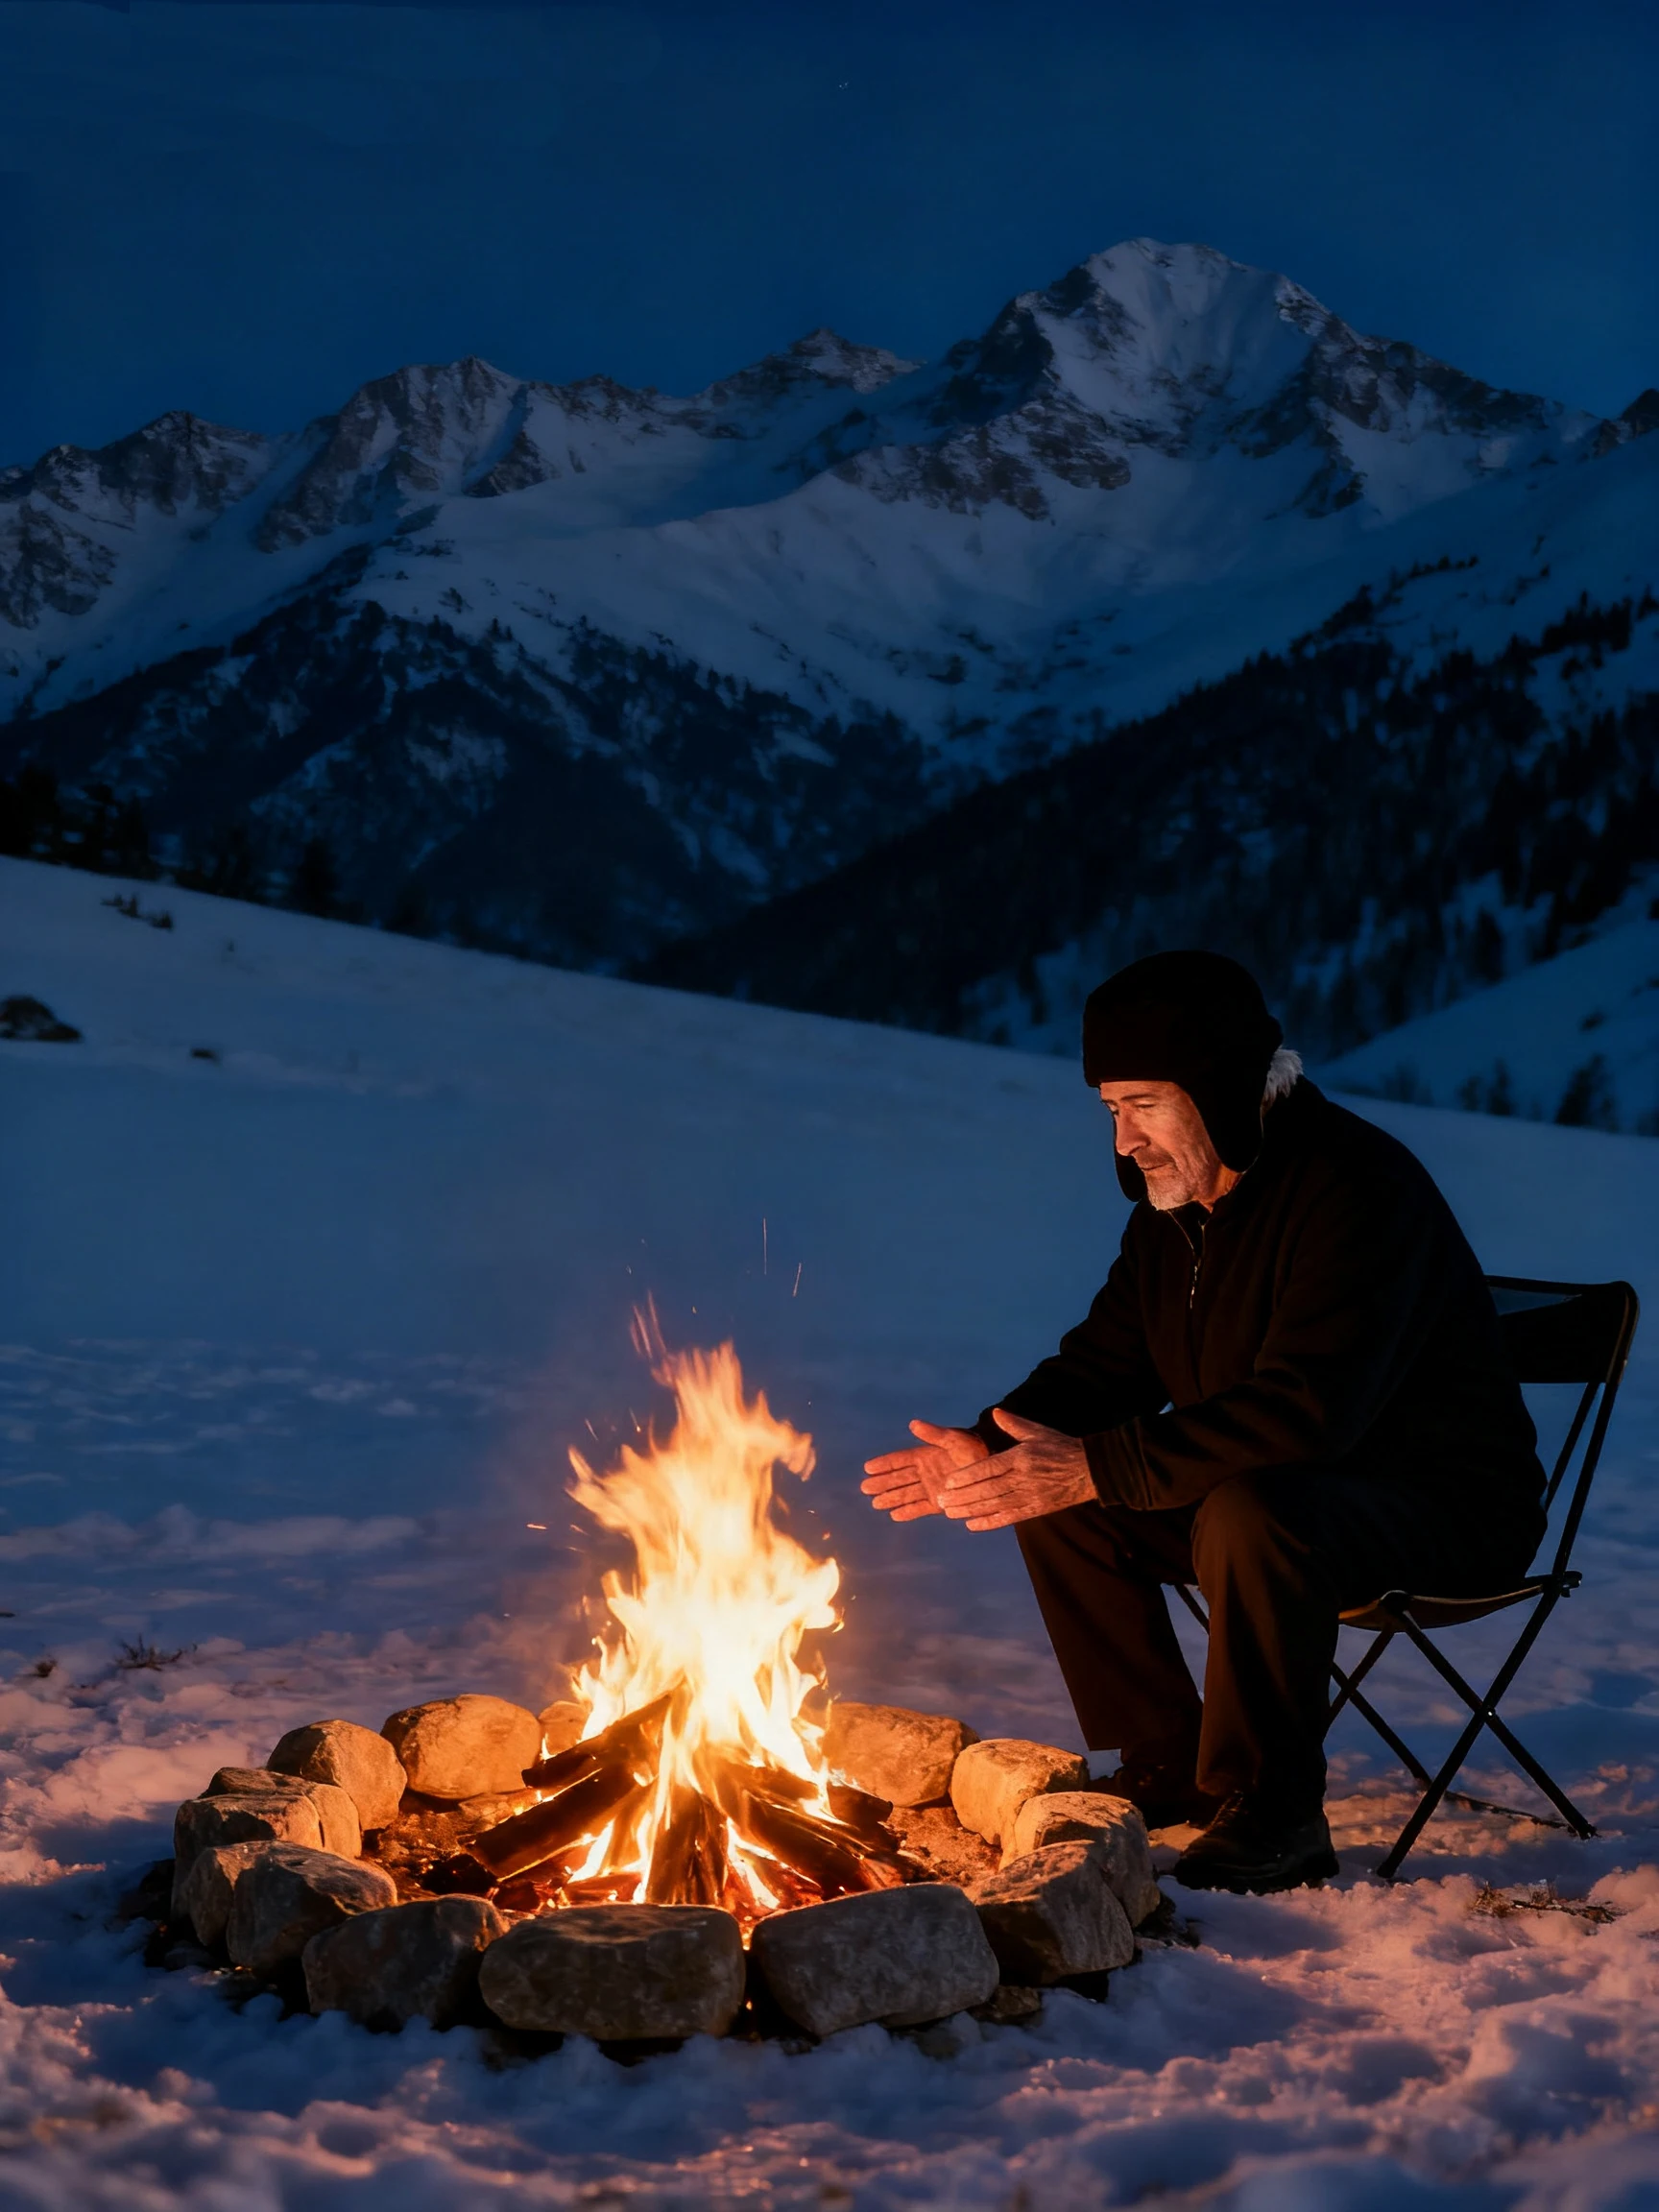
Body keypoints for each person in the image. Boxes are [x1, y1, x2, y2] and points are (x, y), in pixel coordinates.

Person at [861, 950, 1546, 1894]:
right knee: (1057, 1489)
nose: (1123, 1141)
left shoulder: (1355, 1189)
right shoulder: (1178, 1211)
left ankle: (1272, 1812)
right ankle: (1162, 1767)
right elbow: (1105, 1368)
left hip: (1442, 1509)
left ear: (1219, 1087)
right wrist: (990, 1448)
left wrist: (1097, 1465)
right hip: (1276, 1493)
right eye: (1110, 1109)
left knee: (1244, 1510)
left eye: (1144, 1103)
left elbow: (1309, 1412)